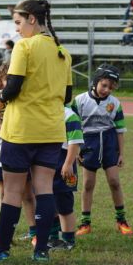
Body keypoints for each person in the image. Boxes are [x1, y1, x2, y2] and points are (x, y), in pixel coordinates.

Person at [0, 0, 73, 263]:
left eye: (18, 22)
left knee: (13, 191)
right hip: (52, 130)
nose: (17, 29)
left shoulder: (25, 46)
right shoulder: (62, 51)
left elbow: (14, 85)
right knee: (44, 189)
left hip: (21, 130)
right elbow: (67, 97)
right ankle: (41, 250)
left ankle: (1, 250)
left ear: (32, 19)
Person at [72, 65, 132, 236]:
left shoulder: (115, 103)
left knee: (114, 181)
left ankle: (121, 220)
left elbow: (120, 131)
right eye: (104, 85)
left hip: (109, 143)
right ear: (95, 82)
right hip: (88, 145)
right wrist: (76, 150)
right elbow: (73, 128)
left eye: (111, 87)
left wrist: (121, 153)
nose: (107, 90)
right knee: (88, 184)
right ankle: (85, 223)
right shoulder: (80, 100)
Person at [0, 63, 36, 248]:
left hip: (25, 151)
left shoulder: (25, 98)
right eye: (8, 79)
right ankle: (3, 234)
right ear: (0, 81)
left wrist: (8, 123)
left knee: (29, 194)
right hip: (1, 154)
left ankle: (34, 232)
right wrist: (16, 124)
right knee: (5, 193)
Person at [47, 105, 84, 251]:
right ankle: (53, 237)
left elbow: (74, 142)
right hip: (47, 159)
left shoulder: (69, 116)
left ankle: (69, 240)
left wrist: (68, 163)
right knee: (48, 200)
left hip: (63, 161)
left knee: (64, 202)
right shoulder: (44, 110)